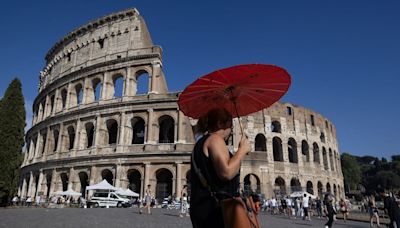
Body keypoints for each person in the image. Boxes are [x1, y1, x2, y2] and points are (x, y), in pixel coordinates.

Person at [190, 108, 251, 227]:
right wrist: (242, 150)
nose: (231, 129)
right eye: (230, 125)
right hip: (218, 211)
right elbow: (226, 172)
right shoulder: (215, 139)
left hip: (203, 209)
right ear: (220, 124)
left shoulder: (200, 143)